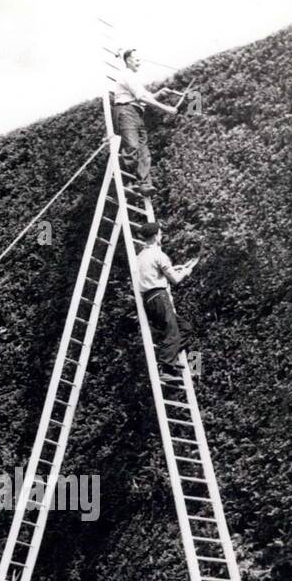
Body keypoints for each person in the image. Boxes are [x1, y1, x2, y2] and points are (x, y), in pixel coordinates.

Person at [111, 48, 179, 194]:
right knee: (131, 146)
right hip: (126, 111)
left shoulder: (134, 79)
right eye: (136, 60)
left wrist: (159, 94)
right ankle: (129, 183)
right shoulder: (126, 75)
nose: (139, 63)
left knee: (143, 151)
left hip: (136, 113)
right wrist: (166, 108)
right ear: (128, 60)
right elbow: (141, 98)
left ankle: (144, 184)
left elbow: (146, 97)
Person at [135, 222, 197, 371]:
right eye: (161, 234)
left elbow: (152, 272)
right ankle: (165, 366)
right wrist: (186, 272)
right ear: (156, 236)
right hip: (159, 297)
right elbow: (175, 280)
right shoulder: (159, 254)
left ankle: (170, 355)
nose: (161, 236)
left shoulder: (141, 256)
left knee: (186, 328)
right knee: (173, 333)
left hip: (149, 300)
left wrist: (176, 268)